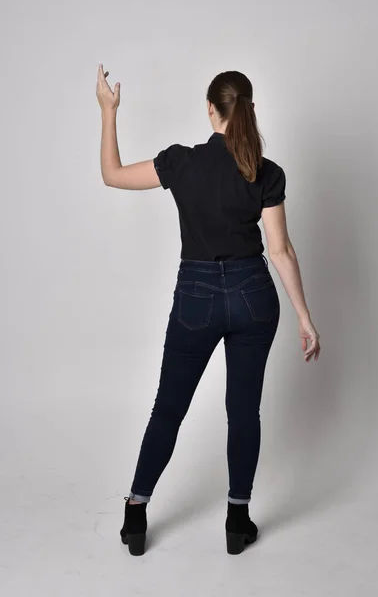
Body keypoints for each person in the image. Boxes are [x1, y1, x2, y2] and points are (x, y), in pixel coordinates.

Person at [96, 65, 320, 556]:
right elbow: (280, 250)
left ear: (210, 110)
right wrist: (304, 316)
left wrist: (109, 112)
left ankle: (135, 514)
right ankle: (237, 522)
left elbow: (112, 176)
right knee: (243, 412)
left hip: (196, 296)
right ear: (250, 109)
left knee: (168, 409)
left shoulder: (181, 162)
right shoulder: (265, 170)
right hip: (252, 295)